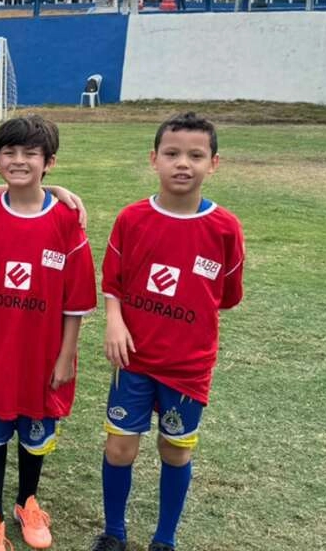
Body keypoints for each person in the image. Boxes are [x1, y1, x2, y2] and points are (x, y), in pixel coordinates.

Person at [92, 112, 245, 551]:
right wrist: (115, 321)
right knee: (120, 449)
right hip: (134, 362)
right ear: (153, 159)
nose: (183, 163)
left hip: (187, 368)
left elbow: (228, 295)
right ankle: (114, 532)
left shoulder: (224, 229)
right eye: (172, 153)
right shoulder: (132, 219)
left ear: (213, 163)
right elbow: (113, 283)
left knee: (175, 451)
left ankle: (164, 538)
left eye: (196, 155)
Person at [0, 114, 95, 551]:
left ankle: (27, 502)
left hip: (42, 354)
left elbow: (75, 301)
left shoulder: (66, 222)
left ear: (48, 162)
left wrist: (65, 355)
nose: (19, 161)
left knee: (35, 433)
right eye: (9, 153)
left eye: (30, 153)